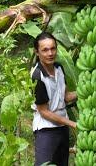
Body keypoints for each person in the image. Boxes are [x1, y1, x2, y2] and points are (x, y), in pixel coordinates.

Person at [30, 32, 77, 166]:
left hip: (62, 128)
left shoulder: (59, 68)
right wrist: (71, 123)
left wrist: (85, 91)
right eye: (45, 50)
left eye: (53, 48)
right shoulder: (37, 76)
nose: (50, 53)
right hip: (46, 129)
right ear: (37, 52)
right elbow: (43, 111)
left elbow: (66, 97)